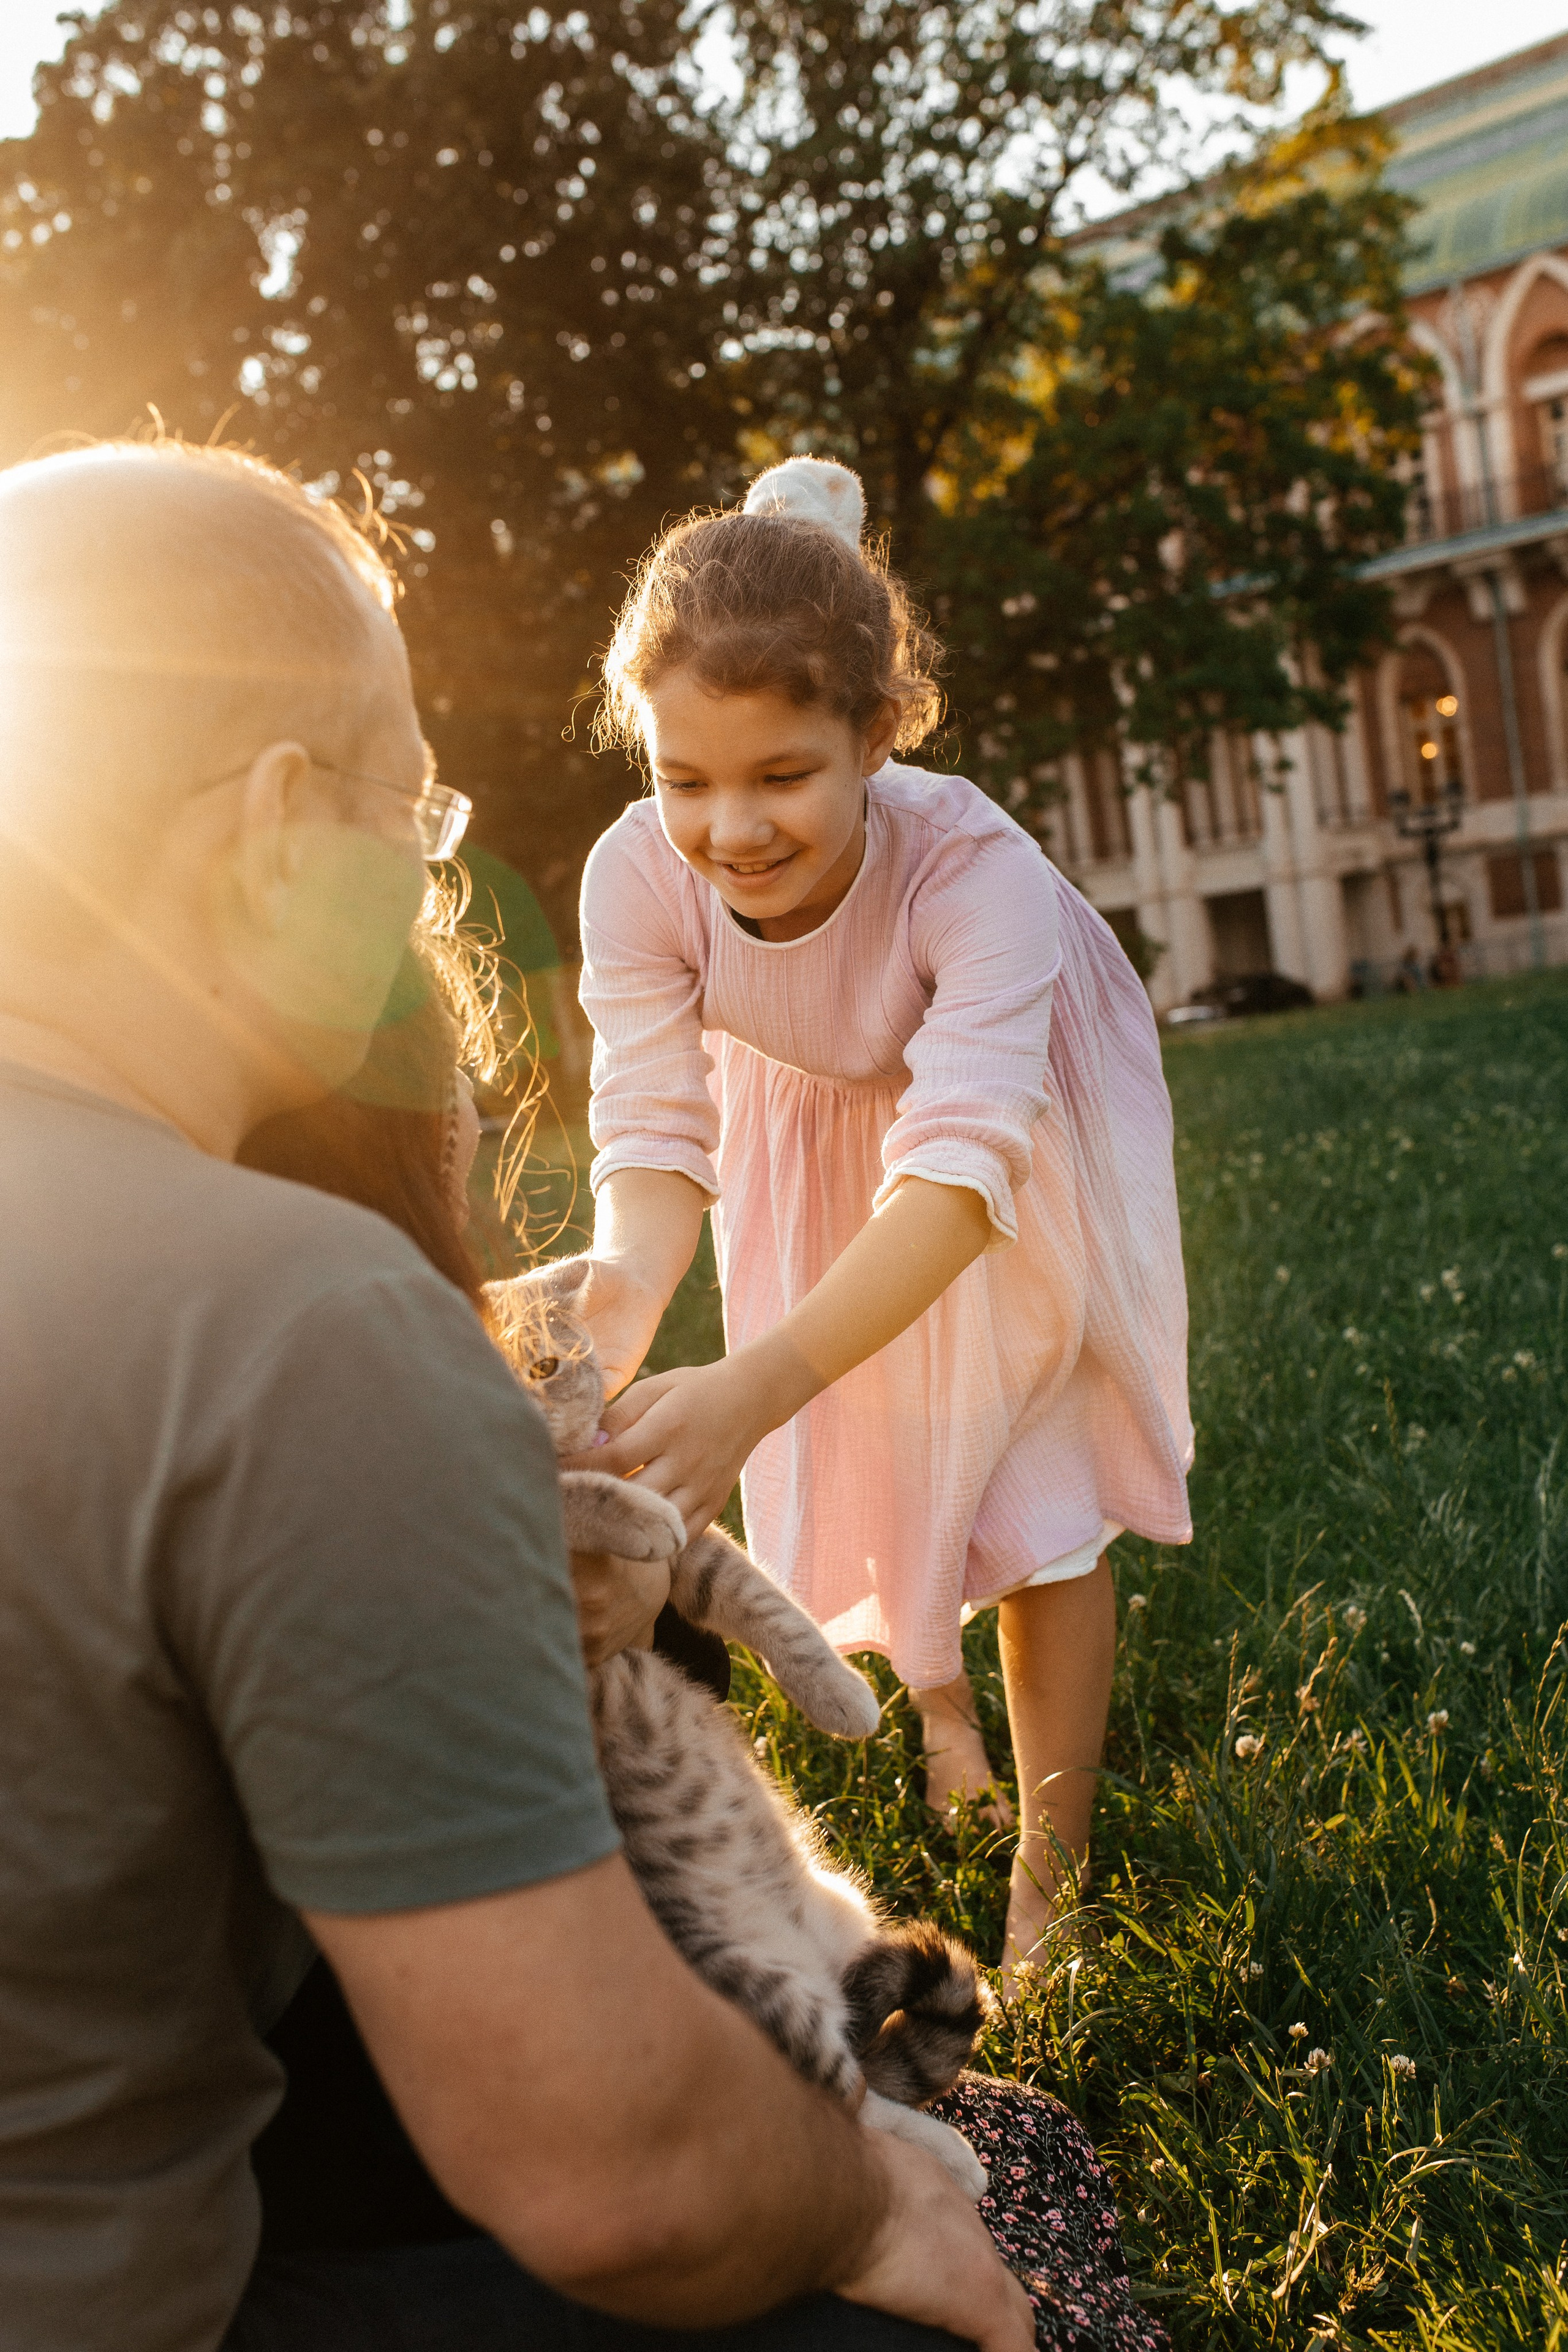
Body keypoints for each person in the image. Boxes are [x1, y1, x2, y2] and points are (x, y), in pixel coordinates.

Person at [0, 438, 1033, 2352]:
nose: (428, 865)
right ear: (287, 817)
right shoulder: (292, 1320)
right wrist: (869, 2202)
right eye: (417, 802)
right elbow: (617, 2180)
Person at [238, 918, 1169, 2351]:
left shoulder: (249, 1366)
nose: (480, 1153)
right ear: (404, 1142)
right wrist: (853, 2200)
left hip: (374, 2137)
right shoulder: (373, 1440)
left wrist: (641, 1589)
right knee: (998, 2241)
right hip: (432, 2180)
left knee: (1010, 2137)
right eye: (459, 1134)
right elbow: (561, 2062)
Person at [570, 459, 1193, 1976]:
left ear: (877, 735)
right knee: (878, 1439)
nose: (729, 828)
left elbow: (960, 1177)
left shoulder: (973, 867)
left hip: (998, 1133)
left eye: (783, 775)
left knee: (1031, 1488)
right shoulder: (633, 877)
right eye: (683, 779)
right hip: (811, 1111)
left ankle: (1049, 1893)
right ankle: (938, 1714)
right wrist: (597, 1347)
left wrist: (751, 1380)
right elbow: (653, 1145)